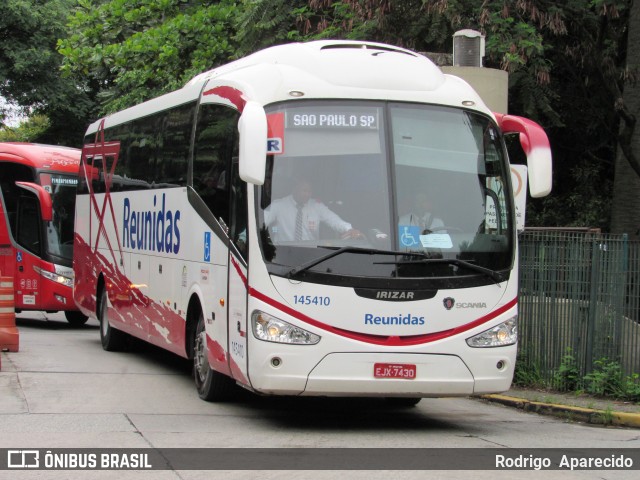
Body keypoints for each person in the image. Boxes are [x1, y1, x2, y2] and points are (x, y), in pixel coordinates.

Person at [264, 178, 362, 242]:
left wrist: (348, 229)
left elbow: (333, 219)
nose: (307, 194)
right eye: (304, 190)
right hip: (284, 252)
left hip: (310, 253)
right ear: (294, 189)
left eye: (309, 191)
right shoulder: (279, 205)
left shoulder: (316, 206)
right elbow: (261, 222)